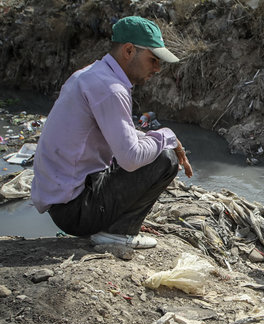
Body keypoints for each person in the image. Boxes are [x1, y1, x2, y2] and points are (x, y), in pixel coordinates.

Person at [31, 16, 192, 249]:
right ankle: (119, 233)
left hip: (66, 204)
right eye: (153, 60)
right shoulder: (111, 89)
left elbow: (121, 133)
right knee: (165, 158)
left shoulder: (90, 75)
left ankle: (111, 228)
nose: (157, 69)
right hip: (76, 210)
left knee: (154, 145)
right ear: (128, 51)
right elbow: (130, 158)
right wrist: (167, 135)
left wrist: (160, 136)